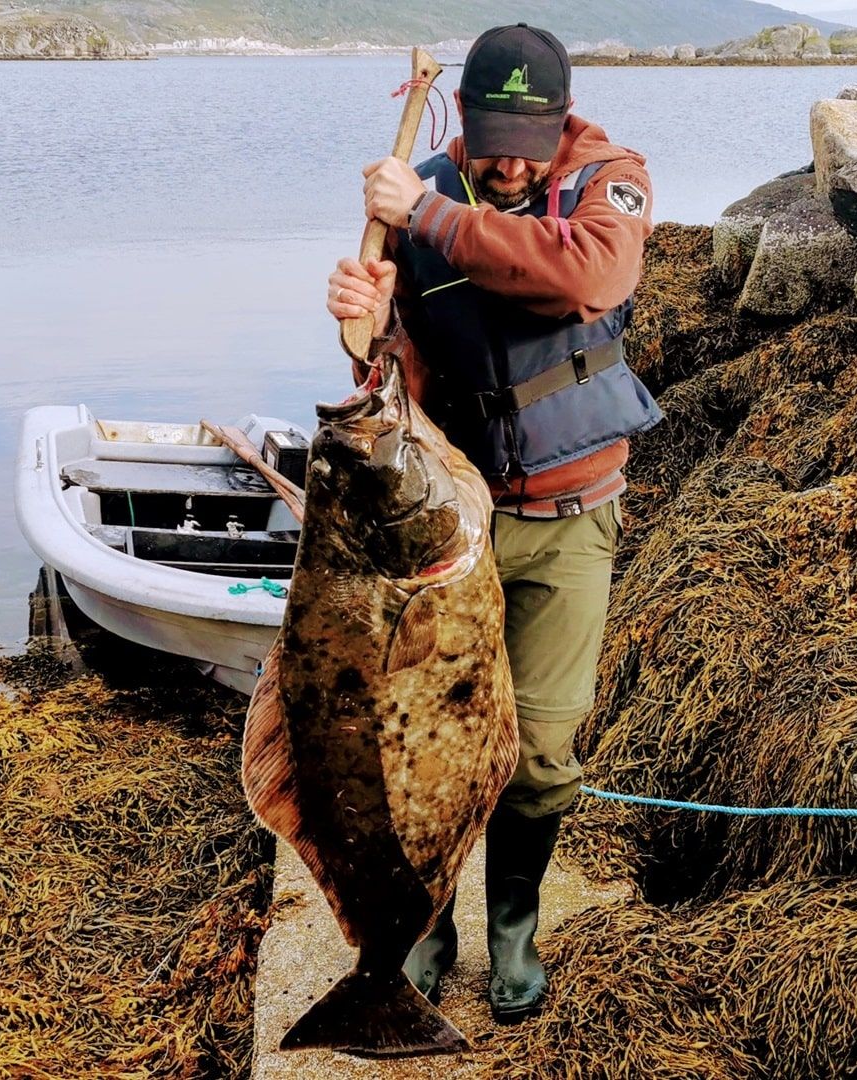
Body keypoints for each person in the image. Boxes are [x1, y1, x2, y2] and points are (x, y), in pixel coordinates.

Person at [323, 22, 662, 1022]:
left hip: (570, 517)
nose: (512, 162)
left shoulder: (611, 180)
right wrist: (366, 318)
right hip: (448, 528)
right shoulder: (422, 190)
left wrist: (428, 213)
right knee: (427, 744)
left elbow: (589, 278)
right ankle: (430, 928)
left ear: (563, 124)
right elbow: (394, 383)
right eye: (493, 138)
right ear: (460, 117)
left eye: (532, 138)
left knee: (544, 754)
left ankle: (514, 928)